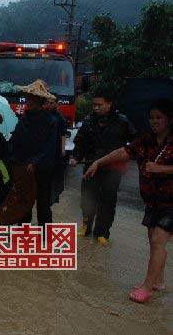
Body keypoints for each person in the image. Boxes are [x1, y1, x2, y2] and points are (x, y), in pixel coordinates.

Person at [84, 99, 172, 303]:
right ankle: (158, 280)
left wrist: (162, 169)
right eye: (151, 118)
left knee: (159, 240)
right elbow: (124, 152)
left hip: (171, 201)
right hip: (152, 200)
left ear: (169, 119)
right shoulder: (146, 140)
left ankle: (147, 287)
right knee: (154, 240)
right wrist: (98, 162)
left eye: (159, 117)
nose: (154, 121)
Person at [70, 89, 137, 244]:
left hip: (112, 169)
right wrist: (75, 157)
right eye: (93, 105)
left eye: (99, 105)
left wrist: (125, 155)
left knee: (108, 200)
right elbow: (80, 142)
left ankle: (103, 232)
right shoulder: (88, 121)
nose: (95, 108)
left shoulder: (123, 121)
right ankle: (86, 227)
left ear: (109, 104)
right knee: (87, 198)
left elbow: (135, 142)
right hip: (90, 166)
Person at [9, 79, 58, 226]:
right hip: (22, 167)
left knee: (43, 205)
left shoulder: (51, 120)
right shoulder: (24, 119)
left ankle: (45, 239)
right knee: (23, 203)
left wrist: (35, 162)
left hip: (42, 169)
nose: (29, 101)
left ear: (40, 101)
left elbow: (50, 147)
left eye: (33, 99)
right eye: (29, 98)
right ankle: (23, 235)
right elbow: (15, 141)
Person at [44, 96, 68, 204]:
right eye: (48, 102)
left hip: (56, 148)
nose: (49, 104)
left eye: (52, 102)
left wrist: (63, 149)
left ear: (56, 103)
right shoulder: (44, 115)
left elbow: (63, 134)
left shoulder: (60, 117)